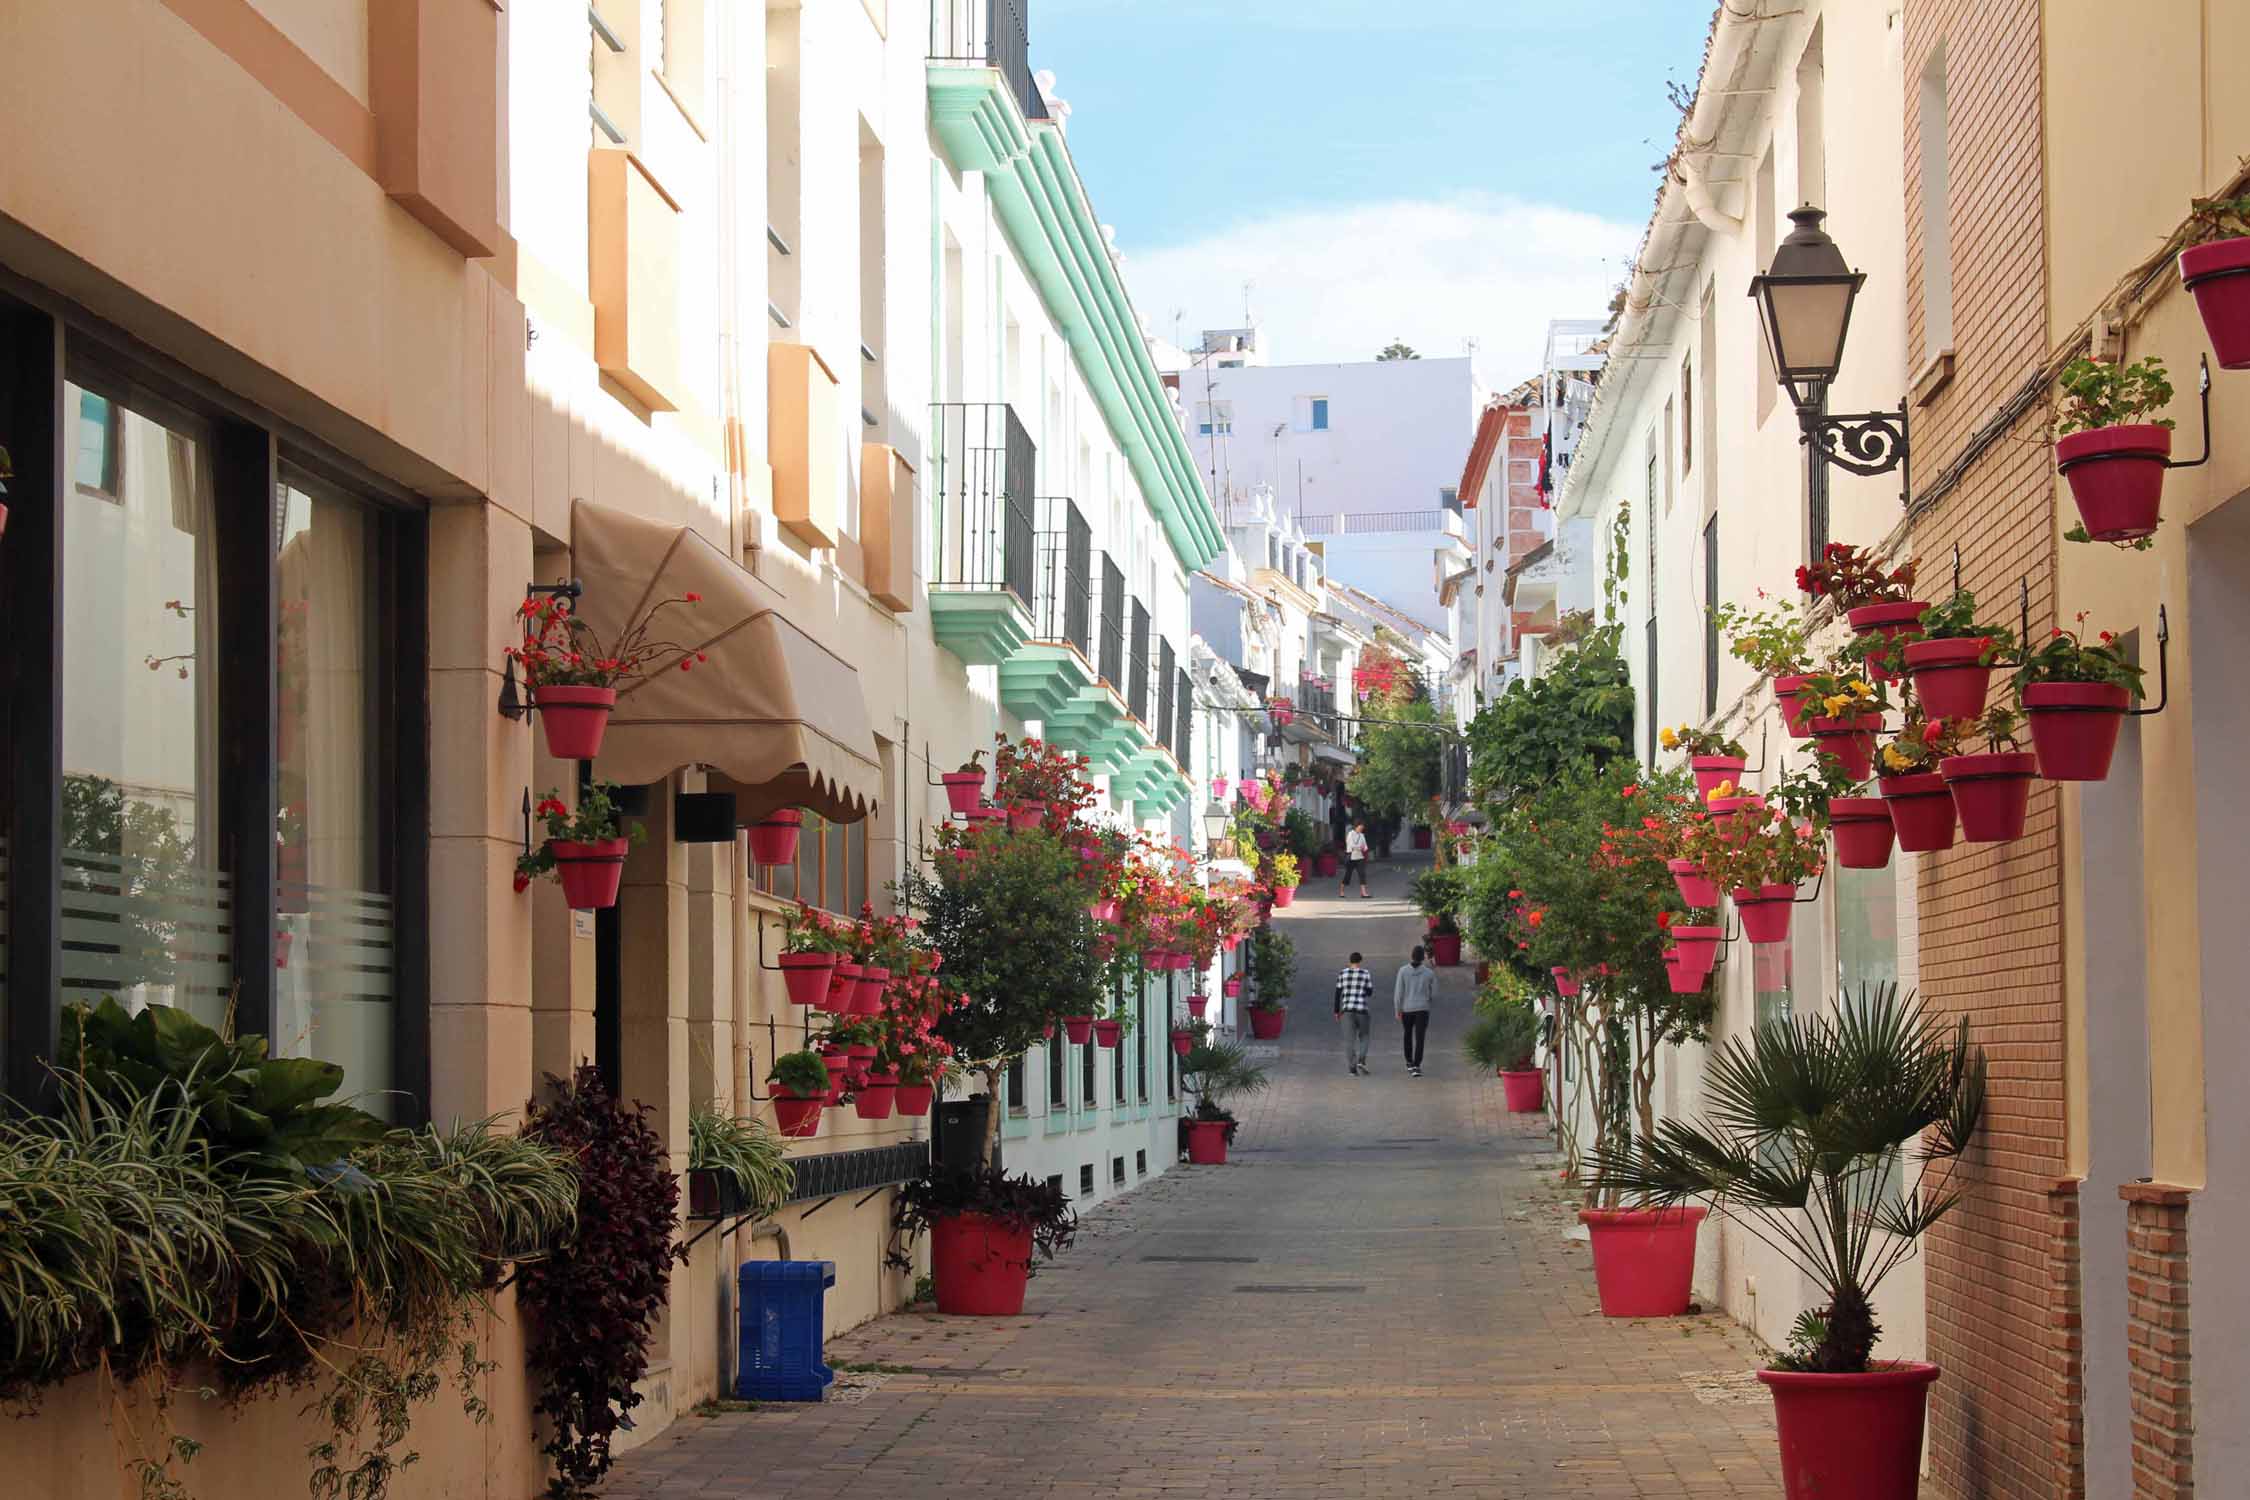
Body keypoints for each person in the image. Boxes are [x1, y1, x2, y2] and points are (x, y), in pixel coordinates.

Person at [1394, 946, 1436, 1077]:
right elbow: (1434, 992)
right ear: (1423, 957)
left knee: (1407, 1034)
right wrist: (1427, 1000)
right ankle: (1417, 1064)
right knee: (1420, 1037)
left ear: (1411, 956)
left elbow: (1398, 992)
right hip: (1422, 1009)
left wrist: (1398, 1009)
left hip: (1407, 1009)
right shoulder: (1429, 973)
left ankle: (1409, 1061)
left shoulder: (1403, 971)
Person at [1334, 950, 1374, 1075]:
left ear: (1349, 962)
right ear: (1360, 961)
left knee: (1349, 1040)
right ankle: (1361, 1060)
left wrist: (1336, 1011)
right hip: (1362, 1010)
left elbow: (1338, 994)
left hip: (1347, 1011)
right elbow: (1369, 992)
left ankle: (1352, 1068)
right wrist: (1361, 991)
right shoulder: (1365, 973)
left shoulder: (1342, 973)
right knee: (1364, 1036)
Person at [1341, 821, 1371, 899]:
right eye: (1360, 828)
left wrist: (1363, 848)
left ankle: (1363, 893)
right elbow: (1351, 845)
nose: (1361, 829)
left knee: (1362, 874)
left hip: (1360, 857)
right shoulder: (1350, 834)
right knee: (1348, 875)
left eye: (1362, 828)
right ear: (1356, 827)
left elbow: (1365, 846)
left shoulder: (1362, 835)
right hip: (1351, 857)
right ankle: (1341, 891)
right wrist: (1358, 847)